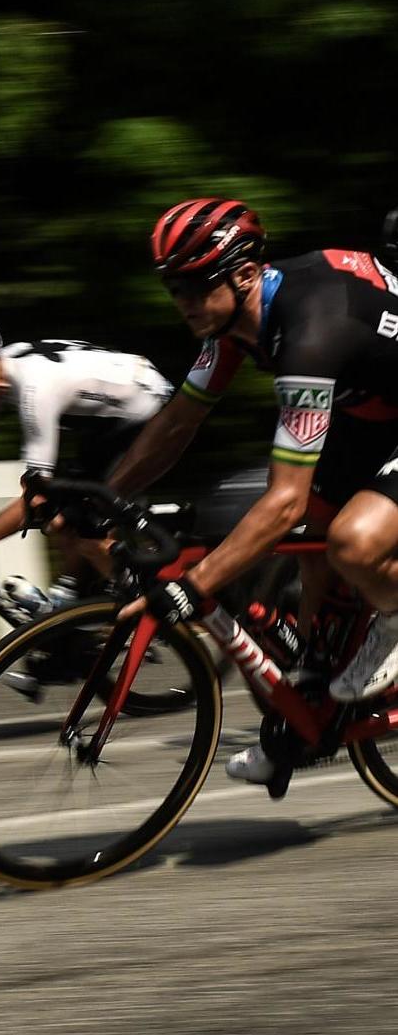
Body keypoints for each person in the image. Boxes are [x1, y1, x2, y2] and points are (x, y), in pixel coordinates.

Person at [104, 197, 398, 787]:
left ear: (243, 272)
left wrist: (194, 587)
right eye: (172, 288)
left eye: (192, 285)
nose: (182, 302)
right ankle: (311, 702)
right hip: (375, 405)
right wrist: (103, 494)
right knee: (316, 523)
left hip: (379, 402)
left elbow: (280, 500)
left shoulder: (309, 333)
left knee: (353, 542)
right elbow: (178, 423)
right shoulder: (234, 321)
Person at [0, 317, 173, 607]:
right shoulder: (0, 373)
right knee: (61, 520)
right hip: (112, 421)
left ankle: (149, 607)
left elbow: (36, 496)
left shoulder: (36, 388)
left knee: (85, 528)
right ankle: (76, 600)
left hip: (151, 414)